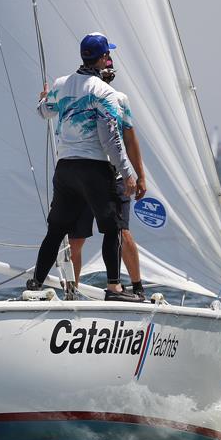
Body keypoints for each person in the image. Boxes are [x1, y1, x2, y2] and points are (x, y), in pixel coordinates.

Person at [26, 32, 141, 302]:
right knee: (112, 228)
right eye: (107, 55)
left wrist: (44, 98)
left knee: (55, 230)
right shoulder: (105, 92)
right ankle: (114, 289)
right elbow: (111, 140)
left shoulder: (61, 83)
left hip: (65, 169)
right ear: (103, 58)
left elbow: (44, 112)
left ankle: (35, 285)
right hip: (94, 169)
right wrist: (128, 174)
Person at [68, 63, 148, 299]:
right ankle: (71, 291)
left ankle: (137, 287)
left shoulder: (120, 99)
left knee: (122, 232)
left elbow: (130, 139)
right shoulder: (78, 95)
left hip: (113, 178)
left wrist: (140, 175)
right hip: (85, 178)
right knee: (76, 239)